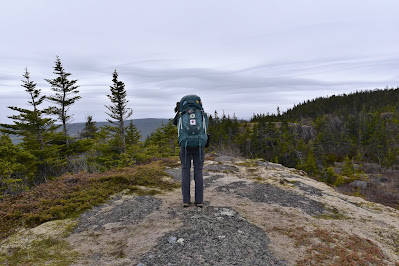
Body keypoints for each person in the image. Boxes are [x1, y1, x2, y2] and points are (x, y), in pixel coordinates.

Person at [173, 96, 207, 208]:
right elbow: (205, 126)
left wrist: (178, 112)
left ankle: (186, 201)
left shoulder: (181, 115)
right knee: (199, 172)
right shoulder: (202, 115)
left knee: (185, 171)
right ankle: (199, 201)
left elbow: (175, 123)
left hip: (185, 145)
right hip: (199, 145)